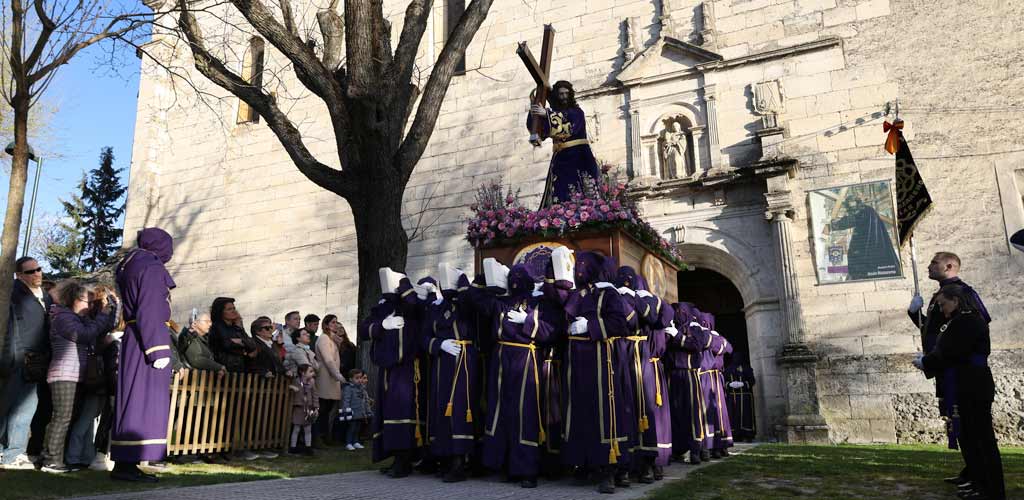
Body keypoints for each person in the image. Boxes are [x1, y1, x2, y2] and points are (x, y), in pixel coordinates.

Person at [461, 265, 556, 489]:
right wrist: (484, 276)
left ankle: (527, 469)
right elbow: (475, 299)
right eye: (511, 277)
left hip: (526, 358)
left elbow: (552, 331)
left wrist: (528, 321)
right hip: (501, 358)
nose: (515, 281)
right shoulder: (500, 302)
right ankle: (504, 465)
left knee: (525, 414)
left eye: (519, 278)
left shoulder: (537, 303)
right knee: (500, 411)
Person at [544, 251, 632, 494]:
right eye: (577, 264)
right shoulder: (576, 294)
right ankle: (583, 462)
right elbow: (556, 297)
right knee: (578, 411)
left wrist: (590, 325)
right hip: (575, 362)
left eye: (584, 265)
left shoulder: (609, 293)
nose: (579, 269)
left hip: (599, 360)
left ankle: (608, 468)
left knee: (602, 413)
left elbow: (620, 324)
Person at [914, 285, 1004, 500]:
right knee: (971, 437)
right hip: (965, 381)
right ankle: (981, 486)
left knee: (981, 439)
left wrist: (926, 362)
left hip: (972, 383)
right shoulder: (958, 321)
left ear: (955, 300)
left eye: (943, 304)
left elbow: (953, 351)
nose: (942, 309)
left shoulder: (968, 320)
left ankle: (991, 491)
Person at [907, 251, 990, 486]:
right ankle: (972, 471)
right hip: (944, 366)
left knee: (969, 424)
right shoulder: (940, 295)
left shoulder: (963, 293)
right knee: (959, 422)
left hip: (959, 370)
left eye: (934, 263)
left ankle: (979, 475)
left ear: (950, 266)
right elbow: (931, 330)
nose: (929, 266)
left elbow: (967, 328)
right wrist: (914, 314)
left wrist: (936, 358)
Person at [111, 228, 177, 482]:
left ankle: (127, 462)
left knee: (133, 400)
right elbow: (149, 307)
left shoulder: (131, 263)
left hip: (135, 337)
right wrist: (158, 349)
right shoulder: (149, 265)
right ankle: (127, 464)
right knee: (142, 401)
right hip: (145, 340)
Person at [39, 281, 117, 473]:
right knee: (62, 418)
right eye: (86, 302)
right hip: (64, 373)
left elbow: (101, 326)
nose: (90, 306)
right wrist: (101, 317)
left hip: (75, 374)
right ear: (74, 300)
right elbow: (85, 335)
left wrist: (111, 309)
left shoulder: (76, 318)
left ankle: (58, 458)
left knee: (68, 418)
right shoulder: (63, 317)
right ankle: (50, 460)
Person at [362, 275, 424, 478]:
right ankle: (395, 457)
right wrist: (382, 326)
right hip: (387, 369)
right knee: (388, 414)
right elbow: (364, 329)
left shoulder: (411, 305)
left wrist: (404, 284)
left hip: (406, 369)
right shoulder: (383, 307)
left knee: (401, 413)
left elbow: (414, 305)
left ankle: (404, 461)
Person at [420, 273, 479, 483]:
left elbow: (471, 307)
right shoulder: (436, 308)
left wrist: (462, 283)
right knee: (441, 408)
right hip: (442, 363)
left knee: (461, 408)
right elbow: (424, 336)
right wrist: (438, 345)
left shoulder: (466, 304)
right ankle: (444, 457)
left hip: (464, 362)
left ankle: (460, 461)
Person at [0, 256, 53, 469]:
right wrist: (11, 357)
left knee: (26, 409)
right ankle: (10, 453)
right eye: (31, 271)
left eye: (39, 269)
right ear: (19, 275)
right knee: (7, 407)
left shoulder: (46, 297)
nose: (37, 273)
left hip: (37, 361)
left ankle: (14, 452)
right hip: (17, 358)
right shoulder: (13, 293)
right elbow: (10, 328)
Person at [65, 285, 121, 470]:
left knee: (90, 418)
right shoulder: (94, 322)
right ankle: (73, 456)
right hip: (94, 375)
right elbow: (95, 341)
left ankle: (85, 456)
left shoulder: (97, 321)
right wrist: (109, 338)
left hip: (101, 375)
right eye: (107, 300)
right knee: (86, 417)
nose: (110, 305)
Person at [527, 80, 601, 207]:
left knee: (583, 188)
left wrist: (547, 114)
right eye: (561, 94)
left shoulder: (577, 112)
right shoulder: (554, 113)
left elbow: (569, 128)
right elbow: (542, 131)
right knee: (560, 191)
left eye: (567, 94)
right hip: (560, 158)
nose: (564, 97)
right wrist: (535, 111)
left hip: (579, 156)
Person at [666, 302, 711, 465]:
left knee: (693, 413)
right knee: (674, 412)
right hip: (672, 374)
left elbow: (697, 345)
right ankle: (677, 449)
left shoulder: (694, 328)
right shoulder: (670, 326)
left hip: (690, 373)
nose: (678, 313)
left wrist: (677, 337)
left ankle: (696, 449)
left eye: (680, 311)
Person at [315, 314, 347, 447]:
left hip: (331, 378)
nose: (335, 324)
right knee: (322, 409)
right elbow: (328, 359)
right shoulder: (323, 338)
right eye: (332, 322)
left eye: (336, 322)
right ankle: (317, 438)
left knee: (327, 410)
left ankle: (325, 436)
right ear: (326, 325)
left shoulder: (331, 339)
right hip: (325, 377)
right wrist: (338, 375)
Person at [724, 352, 756, 442]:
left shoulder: (747, 368)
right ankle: (735, 435)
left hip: (745, 397)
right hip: (732, 397)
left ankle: (747, 435)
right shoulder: (728, 369)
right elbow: (724, 382)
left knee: (746, 416)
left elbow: (752, 381)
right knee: (734, 416)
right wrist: (729, 384)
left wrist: (743, 384)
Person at [288, 364, 319, 456]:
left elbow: (315, 394)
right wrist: (292, 387)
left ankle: (308, 447)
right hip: (299, 408)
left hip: (308, 409)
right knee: (296, 428)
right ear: (302, 373)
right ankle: (293, 447)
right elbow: (289, 387)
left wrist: (316, 406)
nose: (313, 373)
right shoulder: (296, 381)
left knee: (308, 429)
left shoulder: (312, 382)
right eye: (310, 371)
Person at [341, 369, 372, 451]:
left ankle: (355, 441)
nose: (359, 380)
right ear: (351, 379)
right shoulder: (348, 388)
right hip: (352, 413)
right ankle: (348, 443)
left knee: (358, 428)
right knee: (351, 428)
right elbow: (346, 400)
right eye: (357, 378)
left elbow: (364, 401)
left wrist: (367, 411)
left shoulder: (361, 388)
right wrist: (346, 410)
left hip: (360, 413)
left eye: (360, 378)